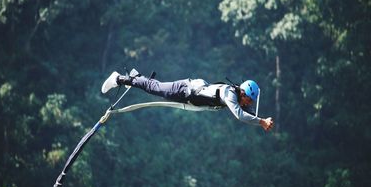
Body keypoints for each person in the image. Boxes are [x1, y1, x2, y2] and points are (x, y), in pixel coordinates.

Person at [101, 70, 274, 131]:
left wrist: (263, 120)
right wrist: (261, 122)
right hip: (185, 90)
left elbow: (245, 112)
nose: (248, 104)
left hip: (190, 94)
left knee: (155, 88)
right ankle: (120, 79)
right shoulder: (230, 94)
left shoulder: (237, 97)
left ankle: (136, 77)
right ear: (243, 93)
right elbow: (240, 115)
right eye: (248, 101)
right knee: (155, 88)